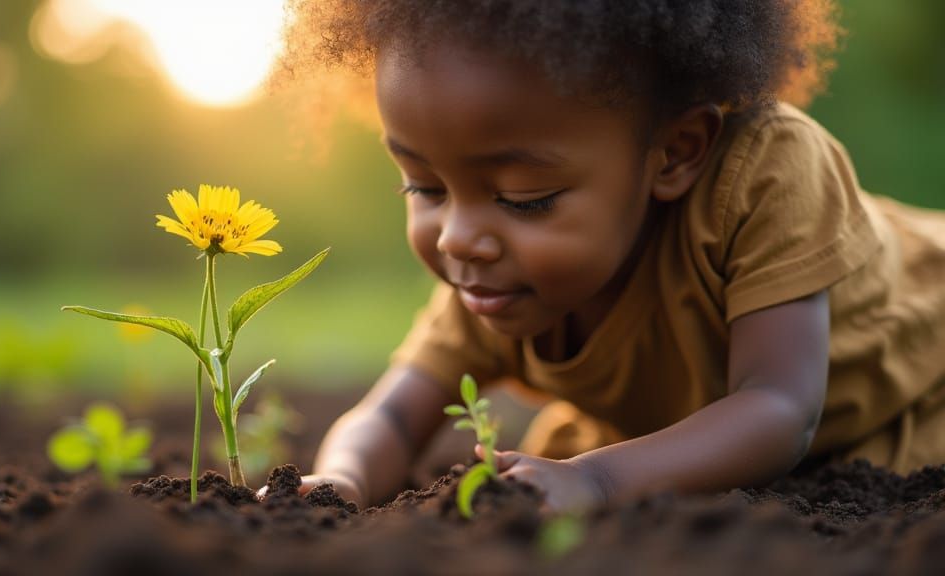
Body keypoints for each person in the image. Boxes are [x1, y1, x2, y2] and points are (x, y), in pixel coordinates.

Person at [269, 0, 945, 513]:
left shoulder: (766, 174)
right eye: (425, 186)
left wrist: (597, 477)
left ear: (676, 152)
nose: (456, 237)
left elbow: (777, 409)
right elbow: (389, 415)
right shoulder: (494, 275)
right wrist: (342, 481)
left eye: (523, 197)